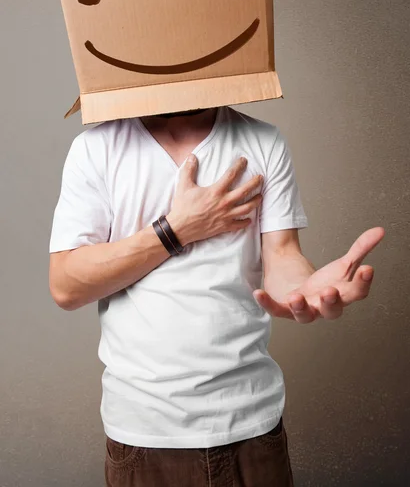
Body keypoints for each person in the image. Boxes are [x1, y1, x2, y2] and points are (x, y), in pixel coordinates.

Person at [49, 105, 384, 487]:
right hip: (145, 433)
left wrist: (304, 291)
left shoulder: (263, 140)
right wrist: (177, 229)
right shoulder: (96, 148)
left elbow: (282, 255)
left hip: (252, 426)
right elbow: (66, 285)